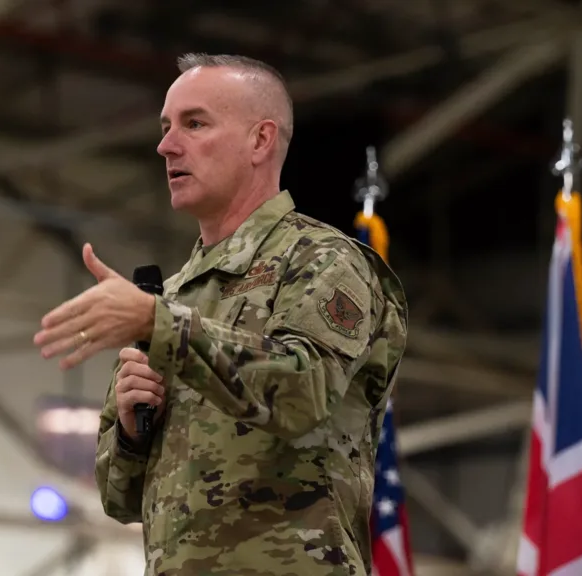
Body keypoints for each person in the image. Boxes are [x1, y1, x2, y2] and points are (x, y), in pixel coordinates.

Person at [33, 53, 408, 575]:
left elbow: (304, 392)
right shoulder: (169, 297)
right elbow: (119, 498)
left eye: (194, 123)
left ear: (260, 140)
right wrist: (131, 430)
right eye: (166, 127)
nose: (166, 145)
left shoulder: (325, 260)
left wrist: (159, 326)